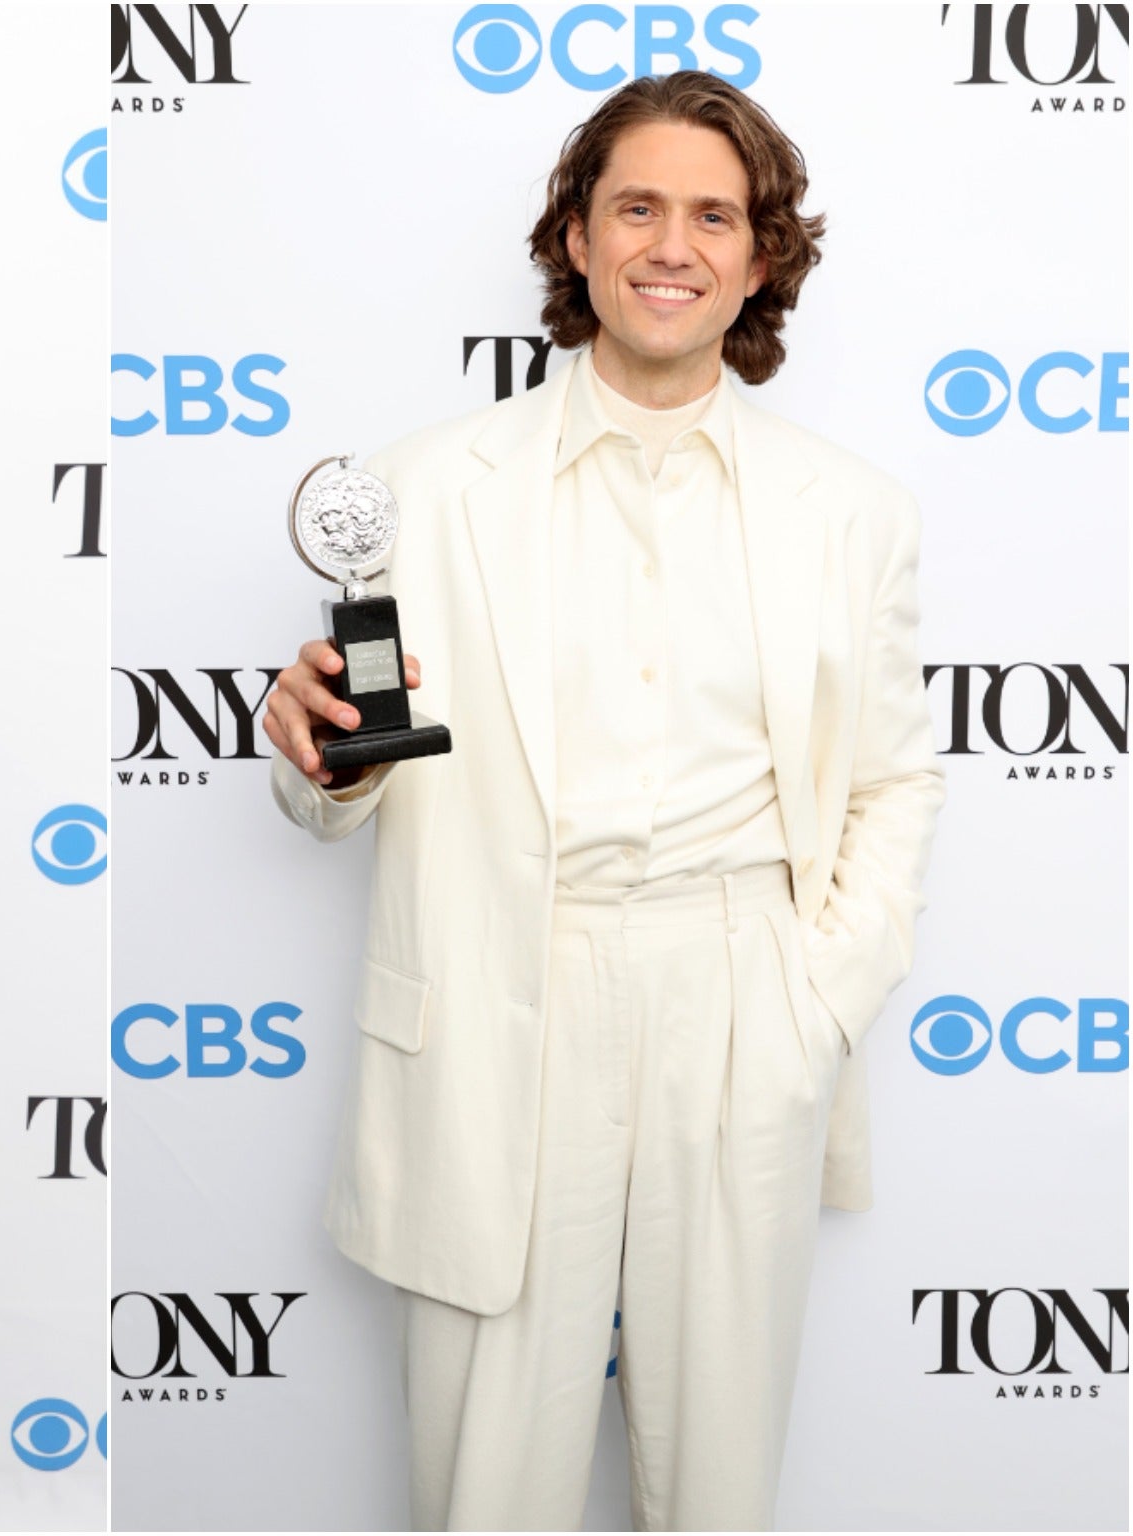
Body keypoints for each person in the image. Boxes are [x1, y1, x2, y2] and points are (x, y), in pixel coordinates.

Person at [264, 71, 941, 1531]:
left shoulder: (857, 514)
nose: (672, 245)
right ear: (576, 235)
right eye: (637, 205)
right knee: (482, 1490)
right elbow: (343, 792)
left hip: (740, 990)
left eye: (715, 215)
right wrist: (318, 755)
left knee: (716, 1489)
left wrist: (812, 1003)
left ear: (762, 259)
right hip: (504, 994)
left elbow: (894, 782)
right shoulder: (420, 491)